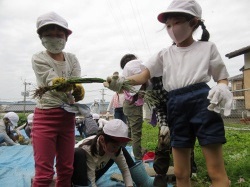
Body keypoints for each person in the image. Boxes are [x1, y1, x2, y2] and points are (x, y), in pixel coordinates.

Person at [104, 0, 233, 186]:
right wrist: (122, 82)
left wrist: (221, 87)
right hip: (175, 105)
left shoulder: (207, 48)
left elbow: (222, 77)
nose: (172, 29)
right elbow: (142, 77)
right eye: (168, 25)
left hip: (202, 103)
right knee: (180, 172)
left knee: (215, 171)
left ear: (194, 22)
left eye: (177, 23)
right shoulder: (164, 54)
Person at [31, 11, 83, 186]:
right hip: (45, 117)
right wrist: (58, 83)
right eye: (48, 35)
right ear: (41, 38)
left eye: (59, 35)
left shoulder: (72, 59)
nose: (54, 38)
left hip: (67, 117)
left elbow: (77, 79)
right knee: (44, 174)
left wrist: (78, 90)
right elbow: (50, 78)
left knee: (66, 169)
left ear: (66, 37)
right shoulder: (39, 58)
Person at [72, 119, 154, 187]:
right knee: (79, 153)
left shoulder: (114, 148)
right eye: (114, 146)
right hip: (79, 176)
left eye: (119, 145)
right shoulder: (88, 149)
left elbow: (125, 170)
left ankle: (143, 180)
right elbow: (91, 178)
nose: (116, 149)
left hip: (95, 171)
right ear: (102, 140)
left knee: (120, 151)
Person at [120, 54, 146, 160]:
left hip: (127, 105)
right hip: (133, 106)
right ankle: (138, 156)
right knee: (136, 132)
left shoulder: (126, 77)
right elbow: (138, 92)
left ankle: (119, 151)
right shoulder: (134, 76)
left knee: (130, 131)